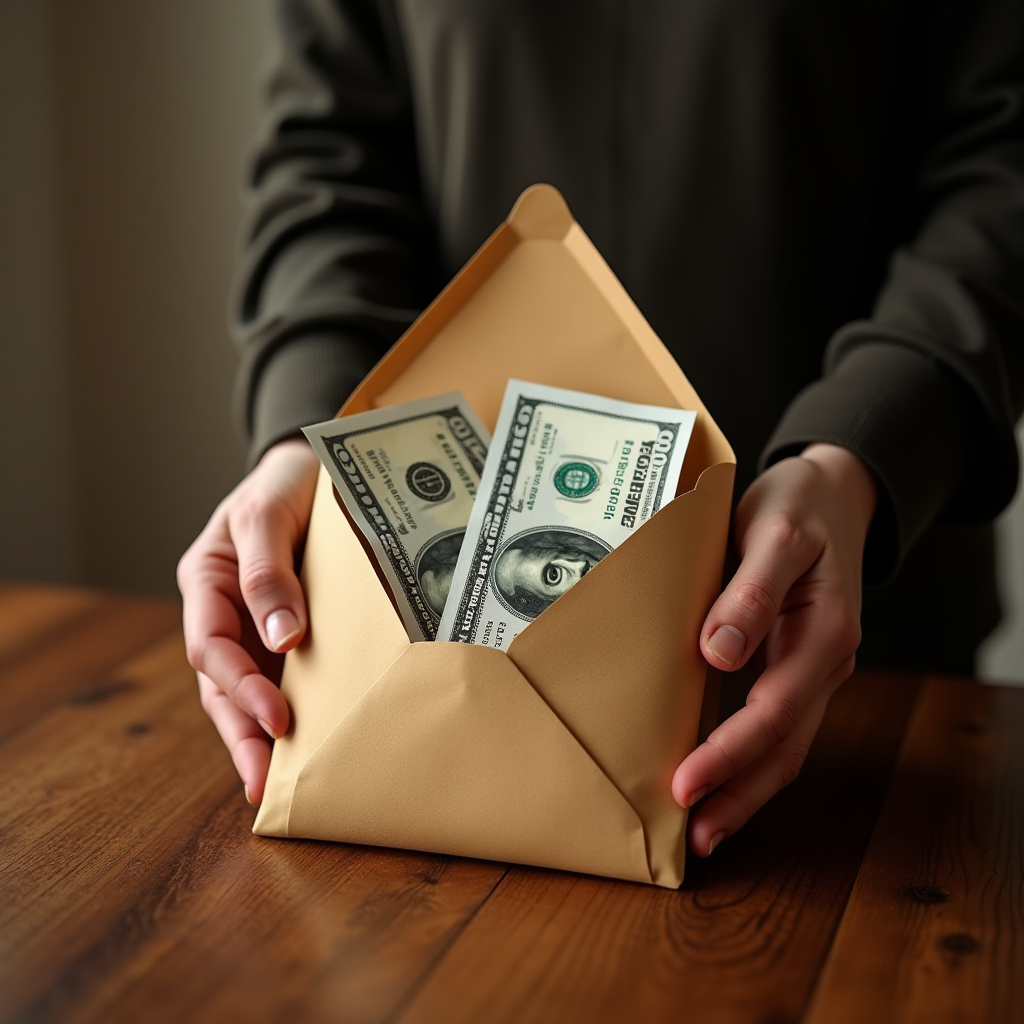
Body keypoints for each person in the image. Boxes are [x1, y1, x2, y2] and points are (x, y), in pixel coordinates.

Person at [178, 0, 1024, 857]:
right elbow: (330, 160)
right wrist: (308, 445)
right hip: (410, 670)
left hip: (852, 652)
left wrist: (860, 450)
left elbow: (1002, 163)